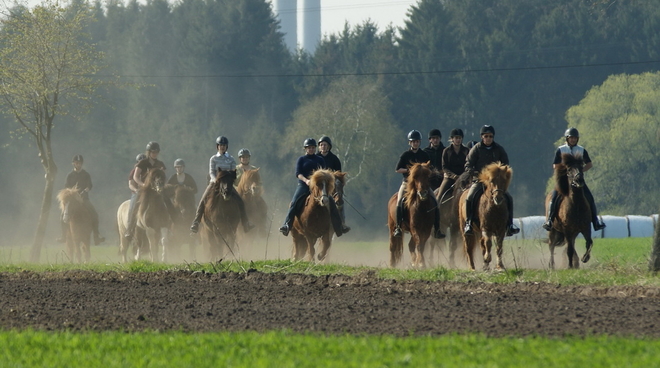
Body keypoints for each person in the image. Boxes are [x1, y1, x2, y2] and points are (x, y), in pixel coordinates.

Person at [279, 138, 346, 237]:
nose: (311, 149)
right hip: (303, 185)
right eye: (309, 148)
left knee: (331, 202)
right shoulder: (301, 159)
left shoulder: (320, 159)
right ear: (305, 149)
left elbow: (324, 173)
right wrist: (306, 180)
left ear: (315, 148)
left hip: (318, 187)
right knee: (294, 202)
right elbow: (298, 173)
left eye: (313, 147)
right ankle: (287, 225)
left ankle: (339, 227)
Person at [542, 128, 606, 231]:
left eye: (575, 138)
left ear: (577, 139)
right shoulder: (561, 149)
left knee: (590, 197)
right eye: (571, 138)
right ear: (567, 138)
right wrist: (564, 170)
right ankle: (549, 220)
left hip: (578, 180)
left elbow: (589, 164)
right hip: (563, 180)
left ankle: (595, 221)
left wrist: (580, 172)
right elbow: (555, 165)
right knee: (554, 197)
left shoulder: (581, 150)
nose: (573, 140)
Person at [463, 125, 520, 236]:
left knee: (509, 198)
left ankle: (509, 225)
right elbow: (468, 164)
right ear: (481, 137)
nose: (488, 138)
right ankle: (469, 222)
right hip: (480, 181)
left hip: (496, 183)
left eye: (490, 136)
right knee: (469, 197)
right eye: (486, 136)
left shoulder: (499, 149)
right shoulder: (476, 149)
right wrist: (474, 173)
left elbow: (506, 165)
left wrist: (502, 174)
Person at [190, 136, 253, 234]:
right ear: (217, 146)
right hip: (214, 183)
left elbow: (233, 172)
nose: (222, 147)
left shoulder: (231, 159)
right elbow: (211, 172)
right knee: (203, 199)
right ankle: (196, 222)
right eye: (220, 145)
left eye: (224, 145)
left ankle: (246, 223)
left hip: (227, 184)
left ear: (226, 147)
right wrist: (216, 181)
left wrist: (230, 181)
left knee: (240, 201)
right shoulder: (213, 159)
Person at [392, 130, 445, 239]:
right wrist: (410, 170)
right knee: (399, 201)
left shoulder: (424, 154)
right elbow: (397, 169)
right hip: (407, 183)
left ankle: (437, 229)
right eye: (413, 141)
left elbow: (428, 167)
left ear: (419, 142)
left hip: (422, 185)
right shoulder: (405, 155)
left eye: (417, 141)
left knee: (435, 202)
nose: (415, 143)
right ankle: (398, 227)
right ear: (410, 143)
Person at [57, 154, 105, 245]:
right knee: (62, 216)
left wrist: (85, 190)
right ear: (73, 164)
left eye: (79, 163)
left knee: (94, 214)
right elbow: (66, 187)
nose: (78, 164)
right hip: (72, 201)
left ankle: (96, 236)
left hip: (84, 199)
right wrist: (72, 193)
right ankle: (63, 236)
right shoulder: (70, 175)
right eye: (76, 163)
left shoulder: (86, 174)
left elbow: (89, 185)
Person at [124, 142, 167, 239]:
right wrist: (143, 185)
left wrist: (161, 185)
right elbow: (135, 177)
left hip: (157, 189)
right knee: (134, 204)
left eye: (156, 152)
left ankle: (171, 225)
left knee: (168, 201)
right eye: (153, 152)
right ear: (149, 152)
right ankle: (130, 229)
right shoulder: (142, 163)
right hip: (145, 190)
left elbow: (163, 176)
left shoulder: (160, 164)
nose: (155, 154)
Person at [317, 135, 350, 233]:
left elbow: (339, 174)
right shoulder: (315, 157)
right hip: (319, 184)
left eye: (325, 145)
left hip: (331, 185)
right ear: (319, 147)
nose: (323, 147)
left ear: (329, 147)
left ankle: (342, 223)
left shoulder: (334, 159)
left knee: (339, 200)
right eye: (321, 145)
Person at [437, 128, 470, 203]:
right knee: (440, 195)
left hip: (463, 178)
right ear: (452, 139)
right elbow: (444, 167)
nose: (458, 140)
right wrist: (453, 176)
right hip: (449, 178)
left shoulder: (466, 151)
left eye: (460, 138)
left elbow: (468, 165)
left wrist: (463, 176)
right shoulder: (446, 151)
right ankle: (437, 209)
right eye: (456, 138)